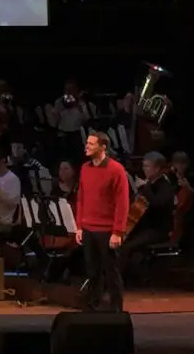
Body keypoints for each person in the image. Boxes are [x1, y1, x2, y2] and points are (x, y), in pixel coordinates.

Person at [75, 132, 130, 313]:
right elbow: (81, 198)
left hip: (107, 230)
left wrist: (118, 231)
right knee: (92, 272)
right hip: (88, 228)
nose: (87, 146)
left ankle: (116, 310)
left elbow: (122, 203)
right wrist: (79, 226)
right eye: (87, 143)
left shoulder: (116, 169)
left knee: (111, 272)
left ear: (103, 147)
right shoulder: (85, 168)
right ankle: (93, 307)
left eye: (91, 144)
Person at [117, 152, 177, 282]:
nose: (144, 169)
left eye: (148, 166)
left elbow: (157, 204)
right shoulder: (149, 185)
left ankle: (115, 283)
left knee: (126, 247)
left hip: (158, 230)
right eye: (144, 166)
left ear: (157, 169)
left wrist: (145, 187)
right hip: (143, 228)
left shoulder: (165, 186)